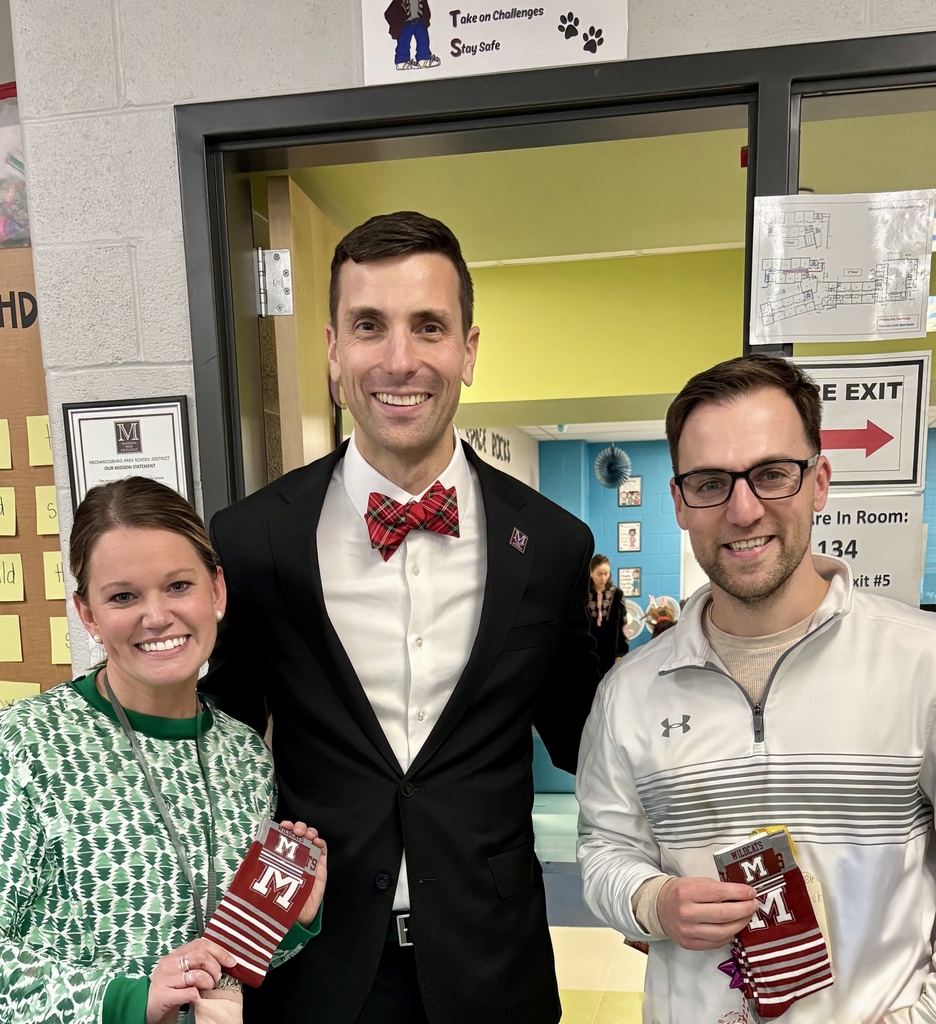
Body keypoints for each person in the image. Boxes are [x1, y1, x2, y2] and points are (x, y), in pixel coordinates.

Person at [204, 211, 600, 1023]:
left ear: (468, 350)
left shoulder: (552, 543)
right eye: (368, 326)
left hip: (495, 967)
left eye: (429, 326)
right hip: (315, 966)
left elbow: (590, 738)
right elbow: (216, 747)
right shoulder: (251, 538)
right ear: (332, 350)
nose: (399, 359)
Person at [575, 353, 936, 1022]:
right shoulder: (629, 694)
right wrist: (654, 902)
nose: (743, 510)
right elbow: (604, 850)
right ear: (680, 502)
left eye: (772, 474)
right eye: (711, 483)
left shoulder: (922, 663)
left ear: (818, 482)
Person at [0, 476, 327, 1024]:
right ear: (88, 614)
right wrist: (128, 1000)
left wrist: (289, 922)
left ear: (217, 591)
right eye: (123, 597)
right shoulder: (21, 745)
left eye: (178, 586)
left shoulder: (244, 756)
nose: (156, 616)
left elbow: (222, 963)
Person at [586, 554, 628, 676]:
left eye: (606, 574)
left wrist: (620, 653)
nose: (603, 578)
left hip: (610, 649)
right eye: (599, 574)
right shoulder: (583, 594)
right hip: (588, 649)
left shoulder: (617, 594)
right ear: (591, 573)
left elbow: (622, 623)